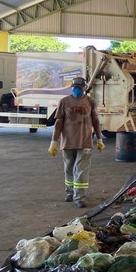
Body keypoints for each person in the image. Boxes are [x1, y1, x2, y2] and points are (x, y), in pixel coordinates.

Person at [48, 77, 104, 208]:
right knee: (68, 169)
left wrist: (100, 139)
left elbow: (95, 121)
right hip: (67, 142)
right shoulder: (64, 101)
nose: (77, 90)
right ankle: (70, 193)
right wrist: (54, 141)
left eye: (80, 87)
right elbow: (58, 122)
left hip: (85, 142)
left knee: (80, 170)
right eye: (75, 87)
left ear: (85, 88)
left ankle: (79, 197)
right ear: (71, 87)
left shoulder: (90, 102)